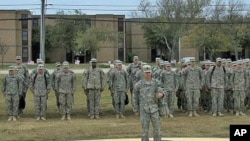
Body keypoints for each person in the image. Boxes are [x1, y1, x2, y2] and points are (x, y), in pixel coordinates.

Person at [133, 65, 165, 141]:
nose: (147, 74)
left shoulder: (156, 82)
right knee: (145, 130)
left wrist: (162, 94)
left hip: (154, 109)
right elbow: (135, 97)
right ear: (143, 73)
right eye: (146, 72)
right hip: (144, 110)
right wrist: (136, 109)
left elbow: (164, 89)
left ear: (151, 72)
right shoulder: (139, 84)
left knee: (157, 129)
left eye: (149, 72)